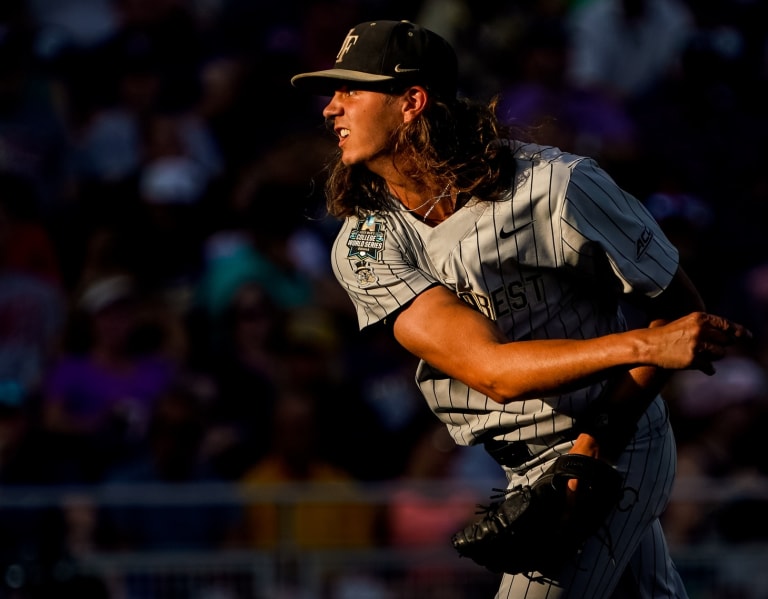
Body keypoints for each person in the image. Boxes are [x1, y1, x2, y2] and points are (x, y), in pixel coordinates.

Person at [289, 19, 752, 599]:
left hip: (618, 445)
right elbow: (490, 370)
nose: (331, 108)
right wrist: (643, 345)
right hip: (520, 465)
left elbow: (679, 309)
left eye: (351, 89)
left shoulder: (559, 186)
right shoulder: (364, 242)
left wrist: (595, 444)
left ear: (411, 101)